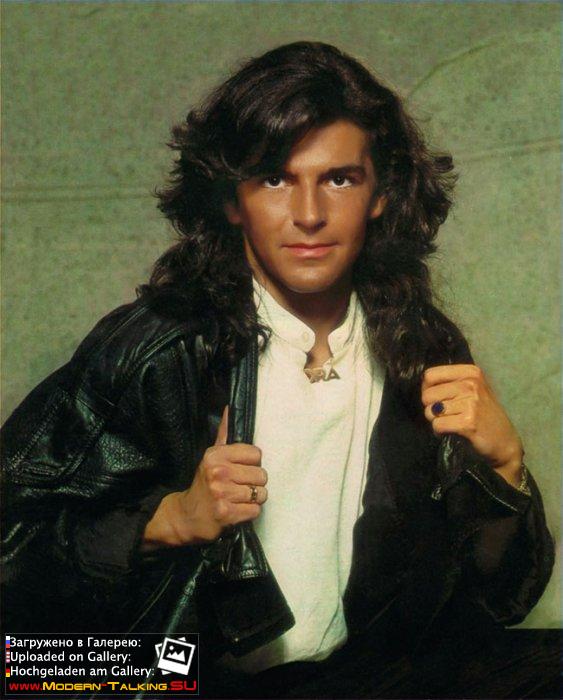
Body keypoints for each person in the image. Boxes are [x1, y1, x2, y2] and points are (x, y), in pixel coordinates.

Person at [1, 42, 558, 698]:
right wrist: (170, 520)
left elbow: (498, 600)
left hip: (366, 675)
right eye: (274, 179)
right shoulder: (158, 348)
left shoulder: (418, 343)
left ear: (381, 194)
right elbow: (16, 575)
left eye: (338, 179)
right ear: (230, 200)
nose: (309, 214)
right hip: (184, 681)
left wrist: (504, 468)